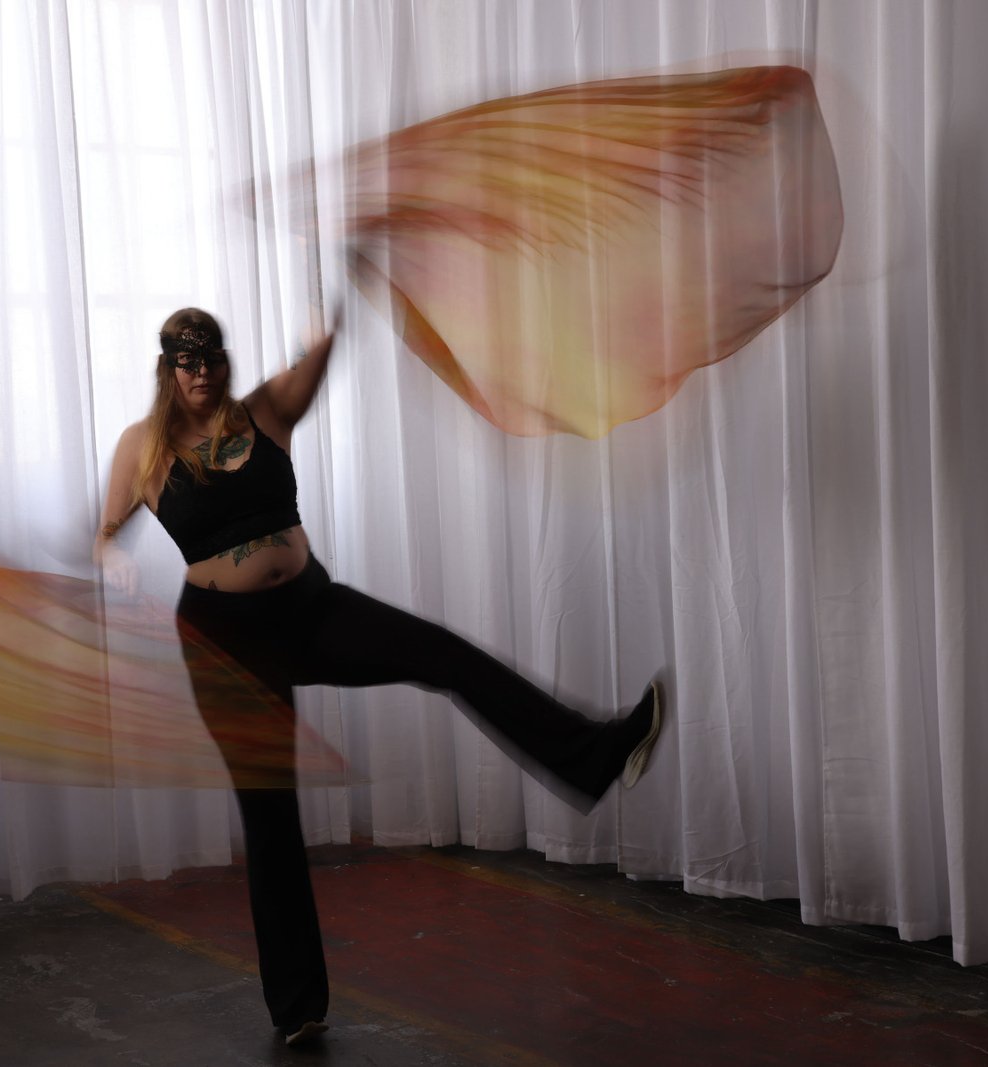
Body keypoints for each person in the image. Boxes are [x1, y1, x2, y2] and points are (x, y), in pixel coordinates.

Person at [94, 307, 664, 1047]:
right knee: (270, 811)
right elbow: (105, 532)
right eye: (186, 360)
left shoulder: (264, 410)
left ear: (225, 362)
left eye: (210, 358)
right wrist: (115, 558)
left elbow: (317, 353)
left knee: (444, 656)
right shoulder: (143, 447)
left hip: (309, 607)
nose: (201, 372)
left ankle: (598, 752)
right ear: (168, 369)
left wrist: (327, 311)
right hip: (224, 643)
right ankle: (298, 1006)